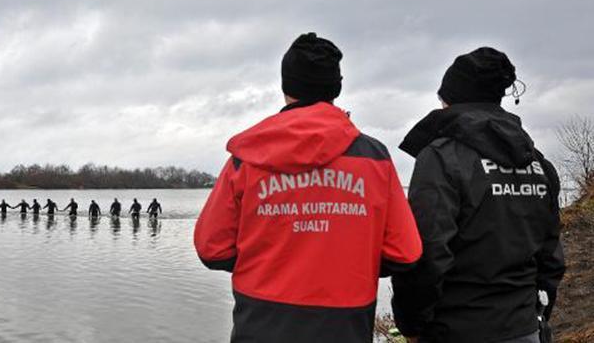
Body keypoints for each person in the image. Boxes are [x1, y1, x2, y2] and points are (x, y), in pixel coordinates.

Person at [193, 32, 422, 343]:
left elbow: (212, 249)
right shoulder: (374, 159)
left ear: (286, 86)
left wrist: (268, 259)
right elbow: (405, 253)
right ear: (335, 88)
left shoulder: (247, 158)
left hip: (261, 324)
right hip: (345, 326)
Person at [391, 47, 566, 343]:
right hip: (524, 328)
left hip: (456, 328)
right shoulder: (537, 162)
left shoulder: (442, 158)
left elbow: (428, 253)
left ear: (451, 100)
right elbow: (550, 256)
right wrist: (536, 315)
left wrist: (411, 325)